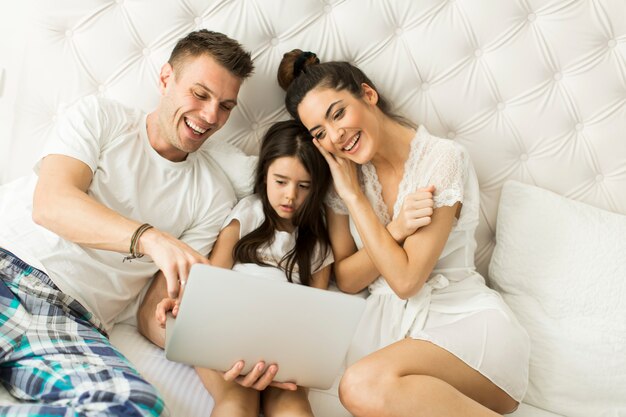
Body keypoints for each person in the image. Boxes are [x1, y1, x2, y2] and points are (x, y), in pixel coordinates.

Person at [0, 29, 254, 416]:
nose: (210, 116)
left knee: (133, 407)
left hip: (70, 319)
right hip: (7, 271)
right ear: (166, 78)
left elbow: (152, 313)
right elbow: (50, 203)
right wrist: (149, 238)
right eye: (200, 95)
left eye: (225, 106)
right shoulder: (101, 117)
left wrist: (219, 352)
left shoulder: (213, 195)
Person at [275, 49, 531, 417]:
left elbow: (407, 279)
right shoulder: (344, 180)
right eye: (320, 133)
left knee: (360, 385)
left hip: (466, 328)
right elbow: (346, 278)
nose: (336, 135)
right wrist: (392, 227)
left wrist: (357, 202)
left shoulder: (441, 160)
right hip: (393, 331)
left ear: (368, 95)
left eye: (338, 113)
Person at [147, 120, 332, 417]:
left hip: (282, 345)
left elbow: (317, 313)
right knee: (236, 404)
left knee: (294, 408)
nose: (290, 196)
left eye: (304, 186)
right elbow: (213, 277)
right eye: (281, 181)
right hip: (228, 330)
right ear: (265, 175)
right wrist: (188, 304)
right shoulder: (249, 212)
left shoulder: (319, 244)